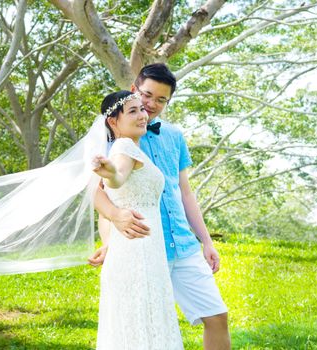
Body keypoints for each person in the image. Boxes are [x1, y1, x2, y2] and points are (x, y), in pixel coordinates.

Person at [90, 63, 231, 350]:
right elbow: (104, 191)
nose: (151, 105)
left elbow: (185, 193)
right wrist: (111, 235)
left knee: (217, 316)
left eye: (161, 100)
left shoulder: (174, 136)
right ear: (134, 90)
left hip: (182, 243)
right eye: (147, 95)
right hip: (144, 244)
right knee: (147, 326)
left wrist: (205, 241)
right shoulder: (114, 138)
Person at [92, 90, 183, 349]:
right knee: (140, 322)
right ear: (113, 122)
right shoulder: (123, 148)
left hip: (141, 249)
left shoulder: (131, 149)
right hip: (137, 252)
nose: (143, 115)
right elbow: (118, 176)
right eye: (133, 111)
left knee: (143, 322)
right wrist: (109, 172)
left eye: (141, 110)